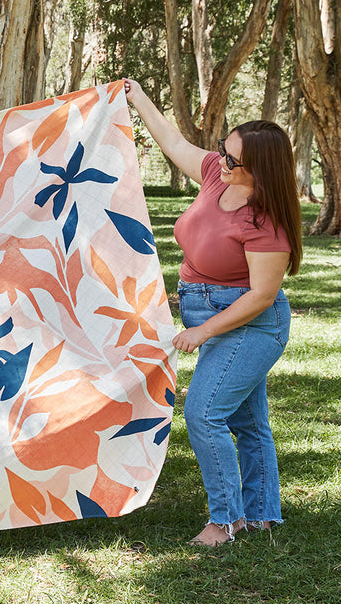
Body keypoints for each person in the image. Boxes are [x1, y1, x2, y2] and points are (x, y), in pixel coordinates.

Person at [123, 80, 302, 546]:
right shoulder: (213, 173)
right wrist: (137, 97)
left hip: (250, 325)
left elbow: (262, 296)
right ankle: (262, 515)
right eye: (223, 148)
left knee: (203, 415)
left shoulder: (266, 221)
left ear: (258, 170)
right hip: (208, 312)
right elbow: (175, 142)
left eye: (232, 158)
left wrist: (203, 331)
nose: (220, 159)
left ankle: (226, 520)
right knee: (247, 422)